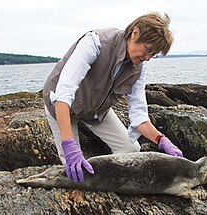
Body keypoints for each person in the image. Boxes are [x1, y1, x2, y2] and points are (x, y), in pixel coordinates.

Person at [43, 12, 183, 184]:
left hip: (96, 111)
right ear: (135, 33)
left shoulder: (139, 66)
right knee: (74, 170)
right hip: (62, 106)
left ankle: (108, 177)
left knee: (130, 149)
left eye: (152, 55)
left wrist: (161, 140)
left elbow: (138, 114)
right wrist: (69, 145)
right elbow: (63, 94)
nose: (147, 58)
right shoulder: (95, 42)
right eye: (148, 50)